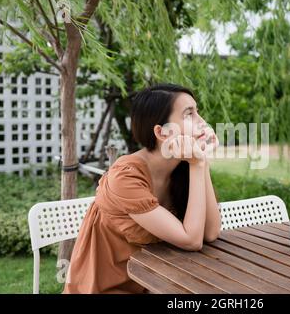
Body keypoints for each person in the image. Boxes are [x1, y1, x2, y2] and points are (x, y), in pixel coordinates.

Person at [63, 83, 221, 293]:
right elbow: (191, 241)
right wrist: (197, 163)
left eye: (198, 112)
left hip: (156, 282)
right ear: (161, 132)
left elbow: (210, 233)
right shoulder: (125, 177)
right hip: (107, 288)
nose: (203, 123)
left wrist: (201, 162)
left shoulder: (182, 168)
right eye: (189, 114)